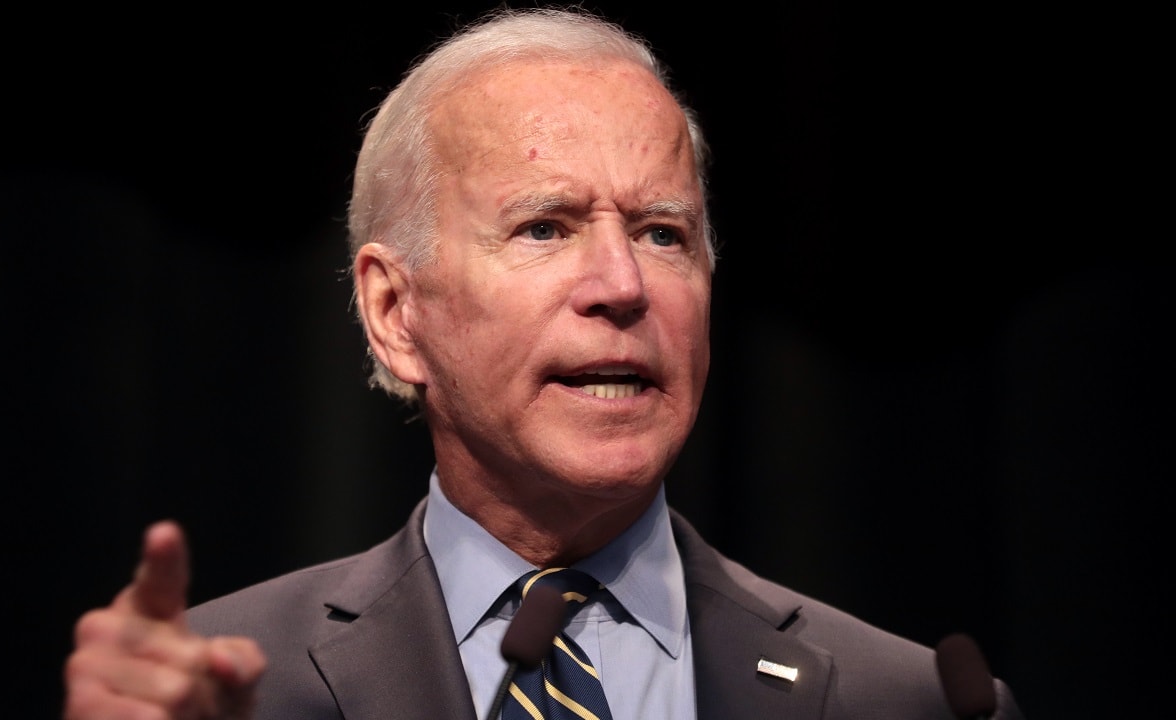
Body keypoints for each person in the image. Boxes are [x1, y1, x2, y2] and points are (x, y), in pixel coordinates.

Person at [63, 7, 1024, 720]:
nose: (620, 284)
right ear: (394, 312)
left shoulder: (903, 701)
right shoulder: (229, 685)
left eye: (661, 232)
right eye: (544, 227)